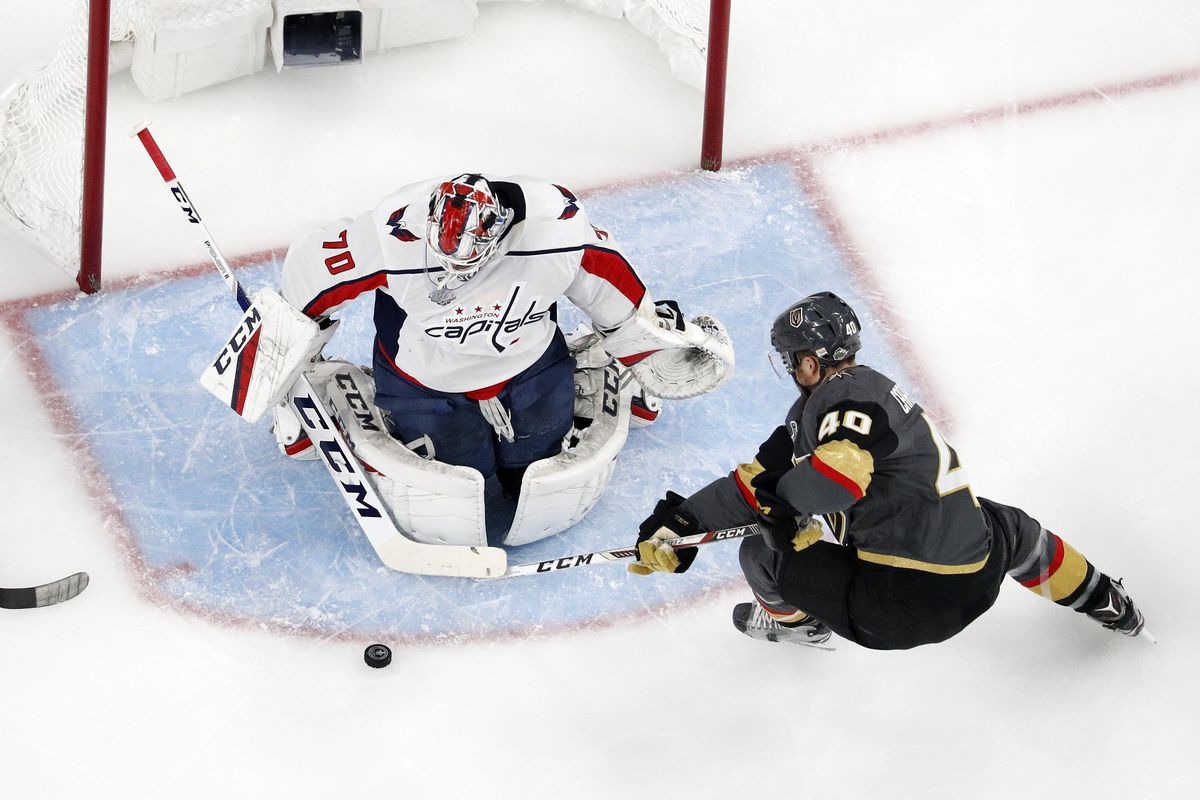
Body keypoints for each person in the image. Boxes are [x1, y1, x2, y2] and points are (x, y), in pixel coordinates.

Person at [628, 291, 1146, 649]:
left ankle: (799, 625)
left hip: (896, 608)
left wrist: (782, 508)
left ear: (810, 361)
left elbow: (837, 478)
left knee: (760, 552)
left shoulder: (841, 398)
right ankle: (1106, 600)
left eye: (792, 359)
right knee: (1009, 526)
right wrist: (687, 521)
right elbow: (754, 482)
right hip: (978, 578)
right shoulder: (861, 396)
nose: (790, 370)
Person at [267, 172, 733, 546]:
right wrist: (286, 371)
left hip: (530, 371)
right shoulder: (386, 237)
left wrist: (649, 354)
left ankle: (597, 372)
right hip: (426, 385)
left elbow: (618, 300)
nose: (449, 277)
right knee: (469, 503)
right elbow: (308, 275)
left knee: (536, 476)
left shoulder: (558, 233)